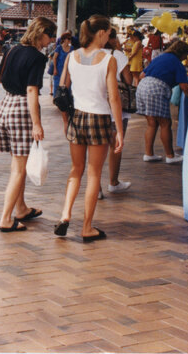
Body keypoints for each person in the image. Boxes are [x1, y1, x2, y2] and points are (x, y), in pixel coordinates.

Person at [55, 15, 124, 242]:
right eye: (108, 33)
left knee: (76, 170)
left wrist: (66, 120)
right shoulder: (108, 60)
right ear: (101, 33)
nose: (109, 38)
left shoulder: (71, 56)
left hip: (77, 117)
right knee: (94, 174)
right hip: (99, 118)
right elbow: (114, 97)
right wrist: (119, 130)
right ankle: (86, 227)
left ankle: (65, 215)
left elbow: (61, 93)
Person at [0, 16, 56, 233]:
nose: (51, 40)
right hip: (21, 109)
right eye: (50, 35)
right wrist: (37, 124)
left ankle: (21, 208)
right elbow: (31, 90)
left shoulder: (12, 49)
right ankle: (5, 218)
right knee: (19, 170)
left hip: (6, 106)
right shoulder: (37, 58)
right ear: (41, 33)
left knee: (17, 163)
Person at [136, 39, 188, 163]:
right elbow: (184, 87)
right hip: (156, 89)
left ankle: (148, 154)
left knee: (152, 123)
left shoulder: (160, 57)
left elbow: (141, 75)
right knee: (165, 123)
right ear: (182, 53)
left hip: (143, 86)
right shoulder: (177, 63)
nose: (185, 58)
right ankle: (170, 156)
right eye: (186, 55)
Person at [103, 29, 134, 195]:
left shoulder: (89, 54)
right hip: (117, 108)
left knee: (97, 148)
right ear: (113, 39)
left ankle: (96, 188)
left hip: (96, 107)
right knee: (115, 145)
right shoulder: (117, 55)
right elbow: (128, 79)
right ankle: (113, 182)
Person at [49, 31, 73, 134]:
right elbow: (54, 58)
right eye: (68, 39)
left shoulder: (72, 49)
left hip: (68, 71)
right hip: (59, 70)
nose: (69, 41)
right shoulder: (59, 48)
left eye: (70, 39)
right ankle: (58, 102)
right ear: (64, 39)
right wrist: (54, 69)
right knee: (57, 87)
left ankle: (66, 102)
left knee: (68, 88)